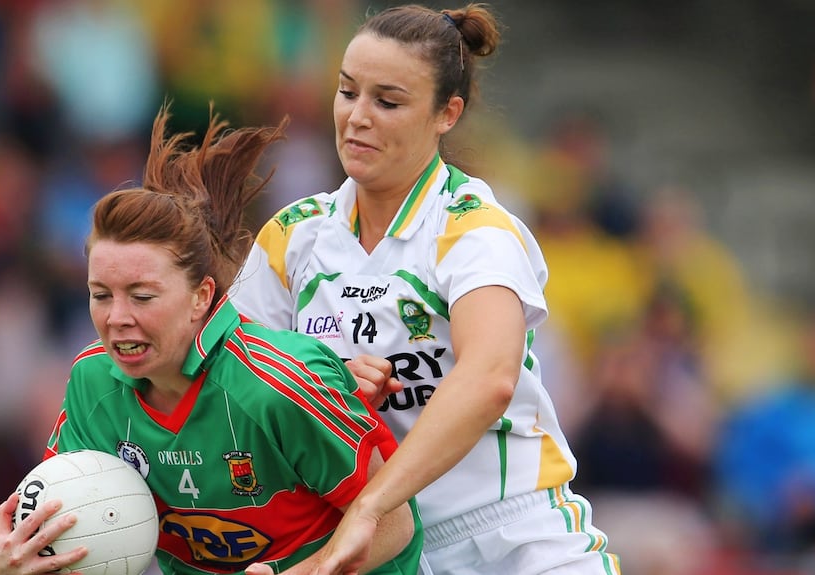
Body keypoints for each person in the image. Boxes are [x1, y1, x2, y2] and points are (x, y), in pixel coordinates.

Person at [230, 4, 620, 574]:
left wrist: (372, 503)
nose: (357, 117)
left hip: (514, 537)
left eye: (387, 101)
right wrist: (319, 385)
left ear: (447, 113)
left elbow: (488, 379)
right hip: (379, 549)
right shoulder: (291, 236)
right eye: (347, 92)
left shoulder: (475, 228)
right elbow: (234, 392)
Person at [0, 104, 423, 575]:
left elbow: (396, 523)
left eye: (142, 296)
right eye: (100, 295)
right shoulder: (92, 383)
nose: (117, 318)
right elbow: (61, 540)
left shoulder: (277, 385)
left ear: (201, 297)